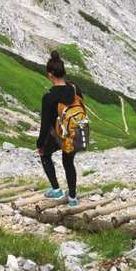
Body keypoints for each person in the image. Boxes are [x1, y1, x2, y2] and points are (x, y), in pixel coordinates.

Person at [37, 51, 81, 207]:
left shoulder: (49, 96)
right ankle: (73, 198)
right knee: (68, 162)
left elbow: (45, 124)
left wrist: (40, 145)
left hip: (58, 135)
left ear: (50, 75)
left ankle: (56, 189)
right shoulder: (75, 88)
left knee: (45, 154)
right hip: (75, 132)